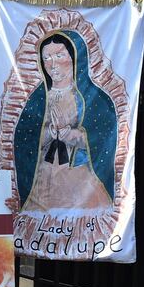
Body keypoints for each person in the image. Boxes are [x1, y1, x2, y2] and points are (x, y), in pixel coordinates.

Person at [16, 32, 117, 212]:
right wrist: (46, 134)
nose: (52, 64)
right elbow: (24, 137)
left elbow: (105, 138)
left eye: (59, 55)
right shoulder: (36, 99)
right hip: (42, 180)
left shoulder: (92, 98)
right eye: (46, 58)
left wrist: (72, 135)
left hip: (80, 180)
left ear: (74, 57)